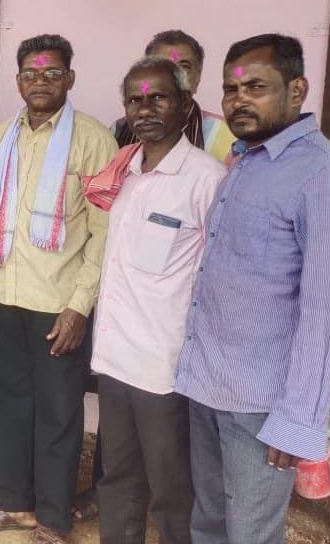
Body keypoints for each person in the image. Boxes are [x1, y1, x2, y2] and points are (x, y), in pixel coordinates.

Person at [174, 34, 330, 544]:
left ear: (296, 89)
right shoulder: (244, 162)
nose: (239, 99)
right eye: (230, 89)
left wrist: (298, 419)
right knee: (208, 519)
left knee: (250, 533)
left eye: (255, 87)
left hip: (261, 402)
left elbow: (326, 311)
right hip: (207, 382)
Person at [0, 34, 116, 544]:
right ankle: (13, 506)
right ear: (18, 81)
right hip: (4, 297)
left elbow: (104, 233)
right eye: (30, 73)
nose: (40, 81)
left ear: (70, 78)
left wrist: (79, 307)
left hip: (57, 307)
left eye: (51, 73)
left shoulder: (93, 141)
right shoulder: (3, 137)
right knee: (8, 406)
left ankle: (52, 519)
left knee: (58, 414)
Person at [89, 58, 226, 544]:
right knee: (117, 477)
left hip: (165, 368)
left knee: (172, 487)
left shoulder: (206, 180)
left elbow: (217, 277)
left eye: (158, 97)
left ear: (185, 104)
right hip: (115, 357)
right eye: (135, 100)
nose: (144, 109)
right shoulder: (122, 172)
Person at [110, 30, 237, 161]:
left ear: (198, 77)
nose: (174, 76)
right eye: (161, 67)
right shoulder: (117, 131)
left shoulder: (225, 134)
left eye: (183, 67)